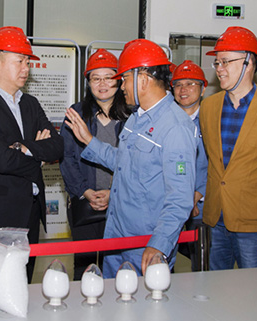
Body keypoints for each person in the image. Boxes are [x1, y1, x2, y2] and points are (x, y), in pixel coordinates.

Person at [64, 38, 196, 278]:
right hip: (117, 235)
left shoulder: (175, 127)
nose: (121, 86)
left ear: (142, 79)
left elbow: (180, 198)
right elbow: (123, 161)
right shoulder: (137, 117)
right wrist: (89, 141)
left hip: (145, 244)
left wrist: (159, 245)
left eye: (124, 78)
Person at [0, 26, 63, 281]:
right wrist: (38, 157)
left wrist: (23, 148)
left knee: (24, 284)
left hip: (30, 211)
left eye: (28, 62)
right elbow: (1, 160)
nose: (26, 68)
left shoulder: (30, 103)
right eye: (19, 61)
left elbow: (58, 146)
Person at [199, 26, 257, 271]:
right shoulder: (208, 107)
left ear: (248, 63)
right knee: (215, 286)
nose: (219, 69)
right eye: (217, 62)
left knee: (254, 289)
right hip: (215, 217)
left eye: (226, 62)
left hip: (254, 221)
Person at [59, 49, 131, 280]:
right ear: (88, 82)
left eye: (108, 77)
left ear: (119, 80)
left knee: (120, 265)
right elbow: (66, 157)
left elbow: (134, 162)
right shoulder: (77, 113)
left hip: (122, 202)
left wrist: (113, 192)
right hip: (85, 201)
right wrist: (85, 191)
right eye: (95, 78)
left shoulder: (133, 115)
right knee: (85, 266)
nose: (102, 84)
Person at [170, 60, 209, 270]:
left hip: (201, 208)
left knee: (201, 265)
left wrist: (196, 194)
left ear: (203, 89)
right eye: (178, 85)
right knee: (163, 264)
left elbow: (218, 165)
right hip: (168, 206)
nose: (183, 89)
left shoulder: (211, 121)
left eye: (190, 84)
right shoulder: (166, 122)